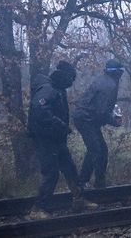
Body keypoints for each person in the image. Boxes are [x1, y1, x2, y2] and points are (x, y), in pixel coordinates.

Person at [28, 61, 97, 220]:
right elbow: (40, 112)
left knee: (70, 169)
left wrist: (61, 129)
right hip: (46, 139)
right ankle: (37, 209)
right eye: (71, 79)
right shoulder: (48, 90)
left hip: (56, 138)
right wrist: (61, 126)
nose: (72, 82)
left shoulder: (57, 89)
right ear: (64, 77)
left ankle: (79, 199)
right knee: (51, 173)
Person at [73, 60, 123, 189]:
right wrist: (114, 121)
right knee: (97, 150)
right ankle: (95, 184)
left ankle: (86, 181)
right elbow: (101, 112)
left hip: (87, 118)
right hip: (86, 119)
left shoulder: (105, 80)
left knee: (98, 149)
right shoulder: (109, 85)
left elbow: (100, 109)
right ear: (118, 73)